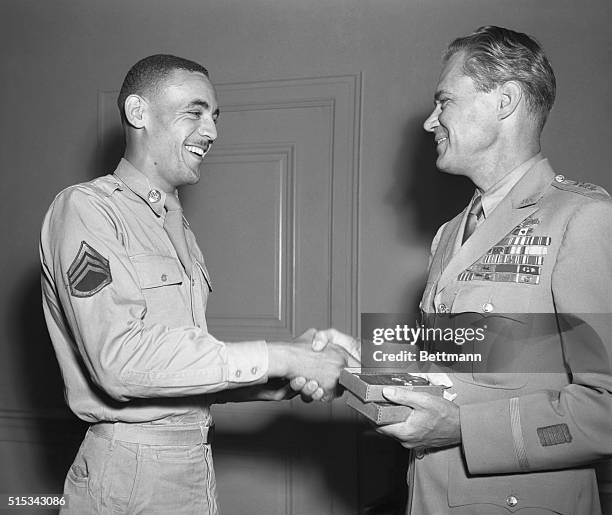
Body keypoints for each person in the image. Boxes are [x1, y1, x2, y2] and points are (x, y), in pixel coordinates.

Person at [315, 26, 612, 514]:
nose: (431, 121)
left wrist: (464, 430)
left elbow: (604, 407)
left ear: (505, 101)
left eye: (444, 102)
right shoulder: (451, 233)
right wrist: (367, 359)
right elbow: (465, 364)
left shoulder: (581, 219)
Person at [39, 54, 348, 514]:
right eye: (195, 111)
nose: (212, 131)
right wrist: (281, 355)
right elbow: (120, 363)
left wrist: (282, 373)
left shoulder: (174, 223)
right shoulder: (87, 210)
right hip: (131, 472)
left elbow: (174, 374)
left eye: (215, 116)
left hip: (191, 461)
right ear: (138, 113)